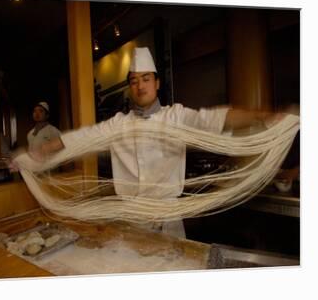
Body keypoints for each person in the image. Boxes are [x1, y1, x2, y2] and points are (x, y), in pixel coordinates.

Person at [23, 48, 284, 238]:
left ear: (157, 83)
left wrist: (261, 115)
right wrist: (40, 151)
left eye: (146, 79)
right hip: (129, 220)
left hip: (167, 219)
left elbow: (215, 118)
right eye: (134, 81)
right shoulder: (118, 124)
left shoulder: (176, 116)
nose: (140, 86)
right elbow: (80, 138)